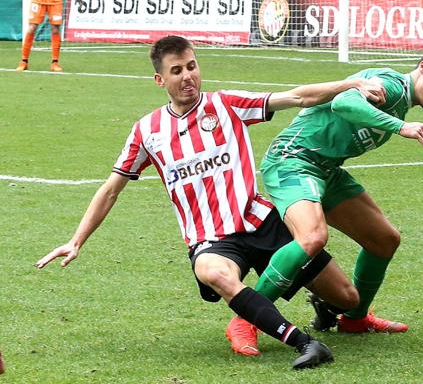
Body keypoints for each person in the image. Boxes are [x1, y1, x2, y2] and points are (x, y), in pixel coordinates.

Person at [35, 35, 386, 369]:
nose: (188, 77)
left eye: (191, 66)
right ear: (160, 80)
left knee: (347, 299)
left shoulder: (226, 104)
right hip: (212, 241)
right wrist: (76, 240)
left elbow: (296, 97)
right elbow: (111, 189)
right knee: (213, 271)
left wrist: (349, 85)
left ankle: (323, 309)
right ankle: (302, 342)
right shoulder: (148, 131)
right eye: (177, 71)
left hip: (261, 223)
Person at [255, 44, 423, 333]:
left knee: (384, 239)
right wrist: (401, 127)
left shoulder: (401, 99)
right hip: (292, 160)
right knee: (312, 237)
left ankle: (355, 319)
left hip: (325, 169)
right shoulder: (391, 86)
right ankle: (248, 318)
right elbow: (343, 103)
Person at [16, 0, 64, 72]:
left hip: (55, 1)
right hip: (38, 1)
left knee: (55, 28)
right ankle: (24, 61)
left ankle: (55, 62)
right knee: (32, 27)